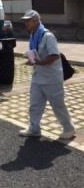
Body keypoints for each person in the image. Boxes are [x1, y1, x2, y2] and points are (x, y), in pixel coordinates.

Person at [19, 10, 75, 140]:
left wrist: (40, 62)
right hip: (38, 76)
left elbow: (54, 55)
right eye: (25, 21)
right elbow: (37, 53)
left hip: (51, 77)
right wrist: (32, 61)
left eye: (28, 21)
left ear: (36, 20)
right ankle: (34, 128)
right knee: (35, 104)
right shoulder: (33, 35)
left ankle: (69, 129)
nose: (26, 23)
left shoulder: (47, 36)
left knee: (58, 105)